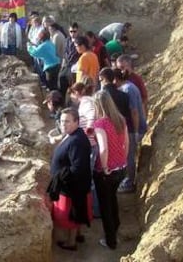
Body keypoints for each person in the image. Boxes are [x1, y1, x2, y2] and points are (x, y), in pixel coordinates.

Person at [47, 108, 92, 251]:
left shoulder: (77, 141)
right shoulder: (74, 134)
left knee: (72, 214)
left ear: (76, 122)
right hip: (75, 186)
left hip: (72, 187)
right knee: (77, 213)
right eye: (61, 121)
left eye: (67, 121)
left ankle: (71, 242)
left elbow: (77, 167)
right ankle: (78, 235)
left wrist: (60, 176)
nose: (63, 124)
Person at [92, 90, 129, 249]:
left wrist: (105, 167)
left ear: (98, 105)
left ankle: (110, 241)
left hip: (106, 172)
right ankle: (116, 227)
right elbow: (126, 143)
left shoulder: (100, 124)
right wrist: (123, 160)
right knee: (112, 198)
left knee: (105, 206)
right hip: (121, 168)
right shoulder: (120, 119)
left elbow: (103, 149)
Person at [113, 68, 147, 193]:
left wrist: (137, 131)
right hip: (133, 127)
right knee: (129, 155)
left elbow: (134, 111)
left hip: (133, 128)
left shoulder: (128, 89)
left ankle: (129, 183)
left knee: (129, 156)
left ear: (115, 79)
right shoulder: (128, 86)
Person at [69, 81, 100, 217]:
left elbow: (91, 116)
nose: (71, 98)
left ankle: (95, 210)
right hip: (90, 145)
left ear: (77, 93)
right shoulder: (86, 101)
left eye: (71, 95)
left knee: (90, 180)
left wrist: (88, 130)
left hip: (90, 146)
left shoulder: (86, 102)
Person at [59, 22, 80, 98]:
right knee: (61, 80)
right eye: (71, 31)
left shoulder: (80, 41)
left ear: (78, 31)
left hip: (75, 66)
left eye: (74, 31)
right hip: (67, 65)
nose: (73, 33)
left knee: (73, 85)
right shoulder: (67, 40)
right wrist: (62, 67)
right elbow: (65, 54)